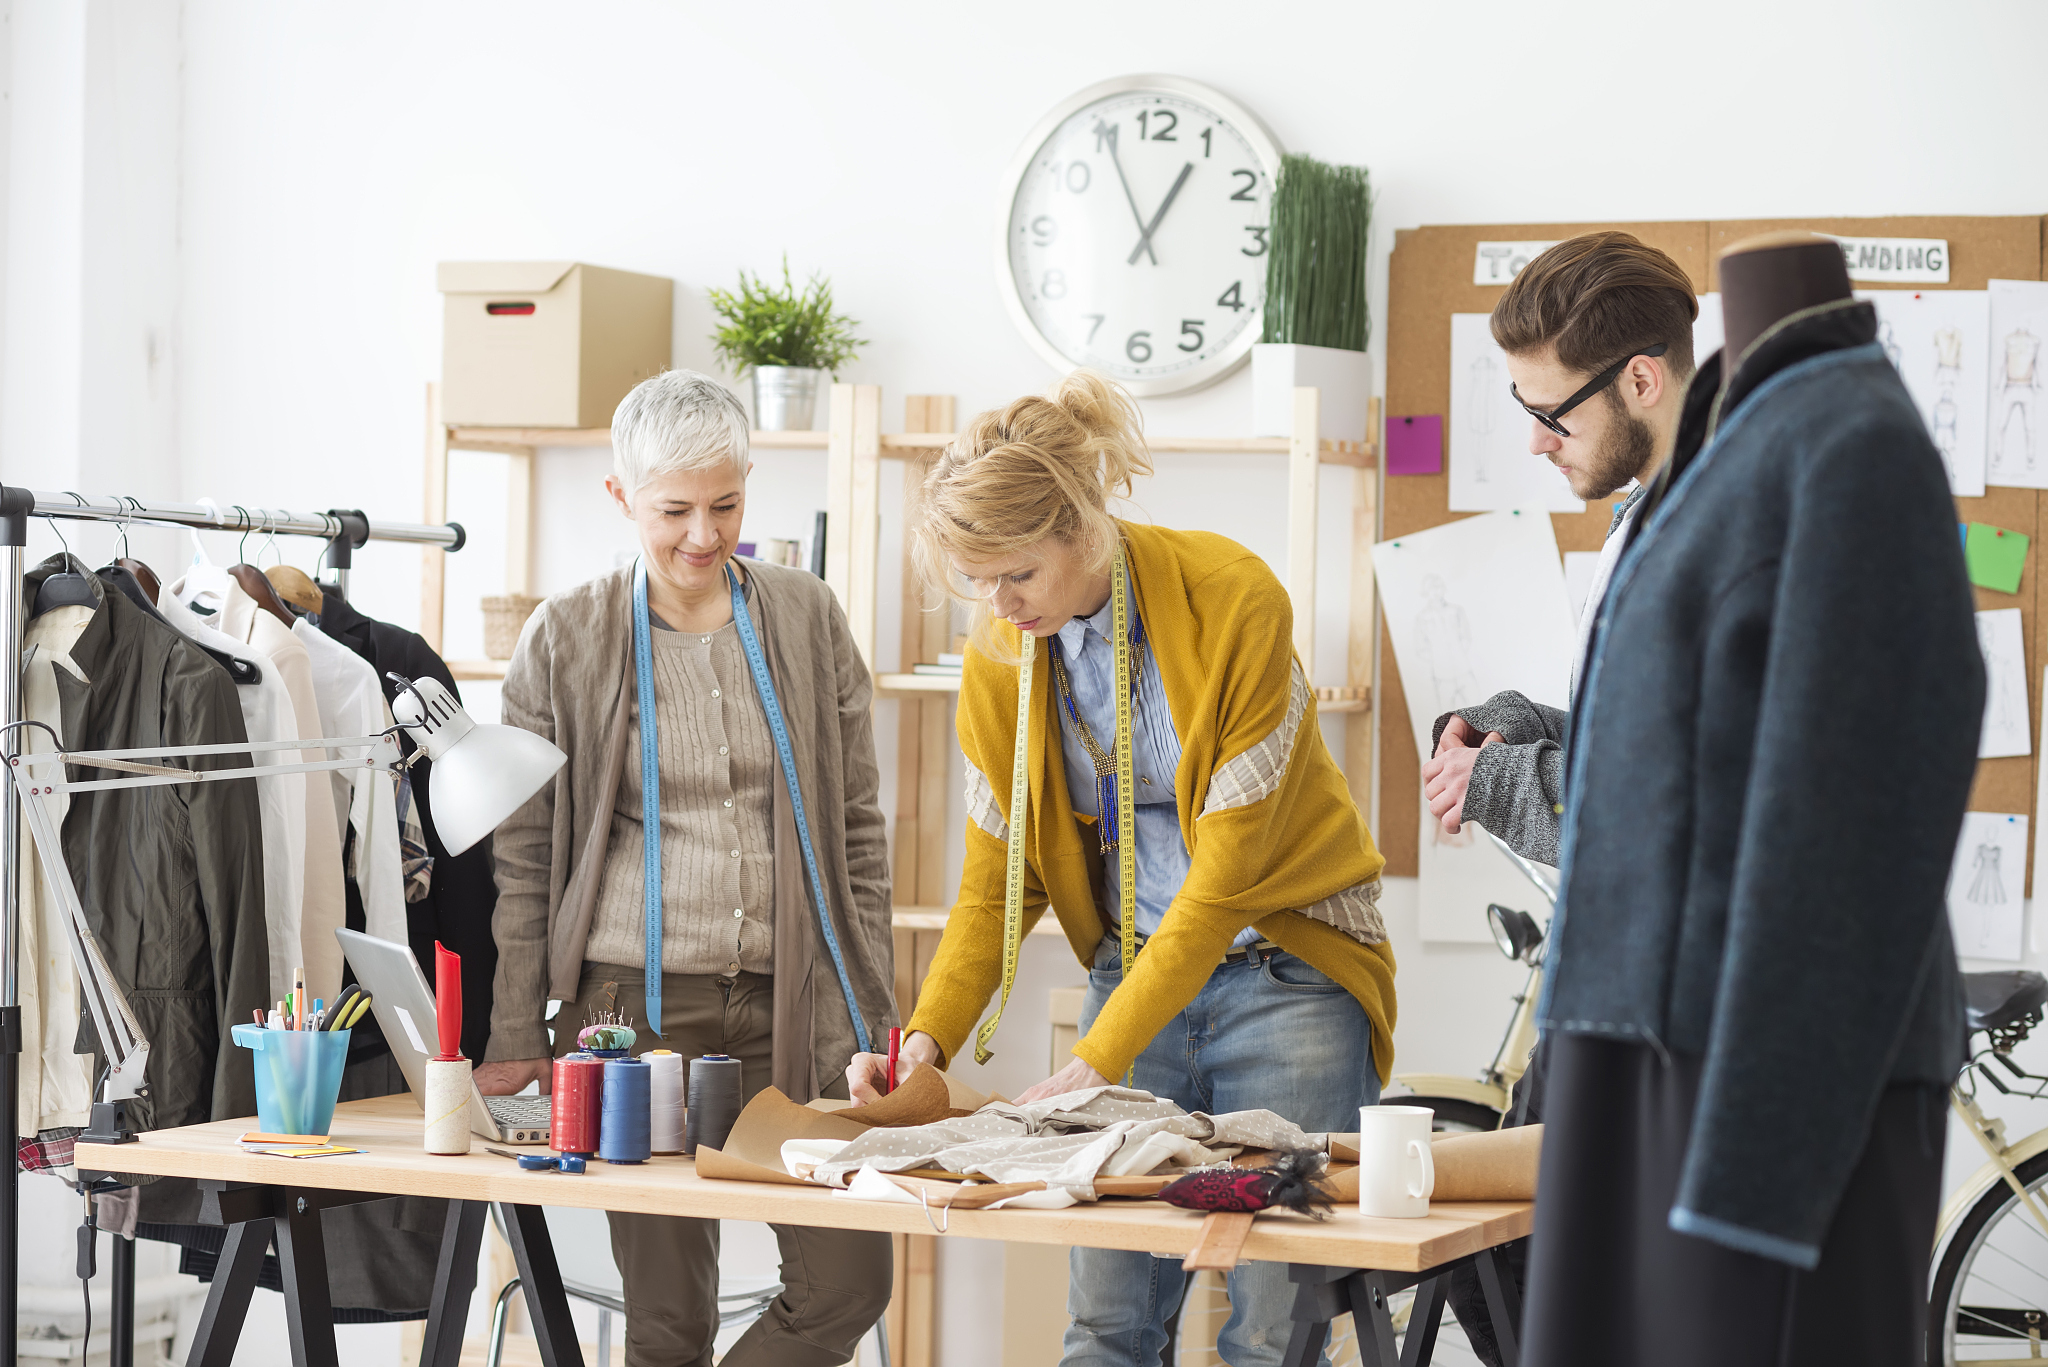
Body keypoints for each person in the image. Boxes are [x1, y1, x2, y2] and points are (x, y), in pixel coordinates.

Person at [845, 370, 1397, 1367]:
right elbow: (994, 882)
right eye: (974, 581)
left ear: (1077, 522)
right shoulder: (1001, 653)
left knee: (1276, 1325)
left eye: (1013, 574)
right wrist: (925, 1039)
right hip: (1132, 977)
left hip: (1288, 975)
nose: (996, 604)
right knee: (1105, 1319)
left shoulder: (1232, 599)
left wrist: (1099, 1055)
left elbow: (1226, 877)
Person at [478, 370, 896, 1367]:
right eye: (673, 510)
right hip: (632, 1015)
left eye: (725, 504)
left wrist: (875, 1015)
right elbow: (525, 856)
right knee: (668, 1318)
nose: (702, 535)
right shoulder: (563, 635)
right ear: (622, 496)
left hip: (796, 1003)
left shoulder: (806, 616)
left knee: (846, 1283)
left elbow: (858, 831)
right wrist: (508, 1028)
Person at [1416, 231, 1701, 1367]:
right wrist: (1521, 727)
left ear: (1639, 377)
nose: (1534, 441)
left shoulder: (1706, 530)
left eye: (1552, 412)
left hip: (1658, 1003)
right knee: (1502, 1270)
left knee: (1536, 1285)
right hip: (1601, 980)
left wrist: (1498, 778)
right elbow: (1639, 738)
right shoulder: (1644, 514)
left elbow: (1676, 797)